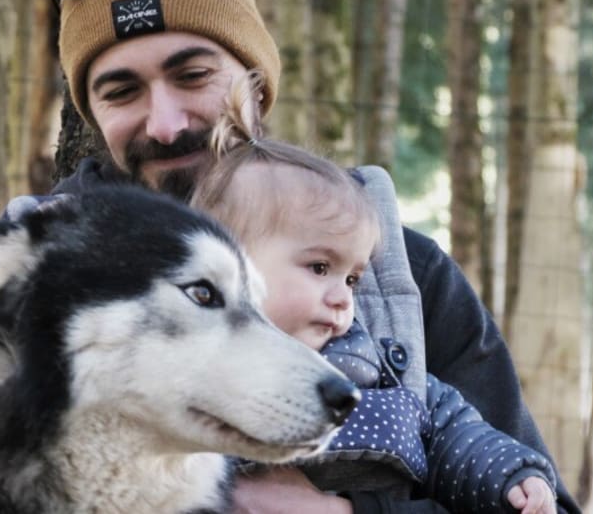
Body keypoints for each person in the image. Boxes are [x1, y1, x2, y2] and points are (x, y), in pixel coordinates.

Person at [23, 0, 581, 513]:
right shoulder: (27, 277)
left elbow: (540, 503)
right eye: (122, 90)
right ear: (92, 110)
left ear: (256, 82)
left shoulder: (399, 274)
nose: (164, 123)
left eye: (193, 75)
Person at [186, 73, 558, 514]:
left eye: (352, 279)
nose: (344, 298)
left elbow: (450, 430)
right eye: (319, 267)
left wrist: (511, 476)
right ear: (229, 260)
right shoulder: (188, 367)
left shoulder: (373, 364)